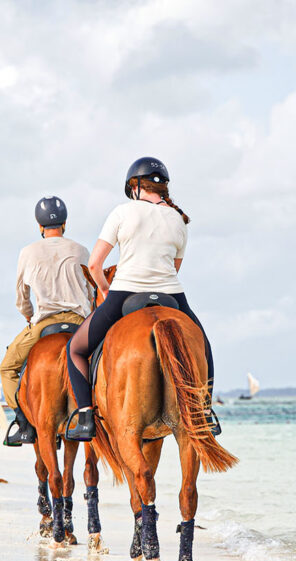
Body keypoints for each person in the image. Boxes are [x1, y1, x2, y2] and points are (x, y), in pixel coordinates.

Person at [64, 156, 218, 441]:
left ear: (135, 186)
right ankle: (205, 412)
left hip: (125, 292)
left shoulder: (122, 212)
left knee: (75, 349)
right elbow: (174, 268)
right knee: (204, 348)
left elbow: (95, 265)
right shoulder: (179, 220)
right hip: (172, 296)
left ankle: (85, 416)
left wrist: (105, 290)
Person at [0, 196, 92, 446]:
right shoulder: (81, 250)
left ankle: (24, 423)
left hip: (44, 323)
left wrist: (28, 314)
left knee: (7, 368)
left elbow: (21, 295)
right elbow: (90, 291)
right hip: (79, 322)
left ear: (39, 226)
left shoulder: (28, 252)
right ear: (65, 223)